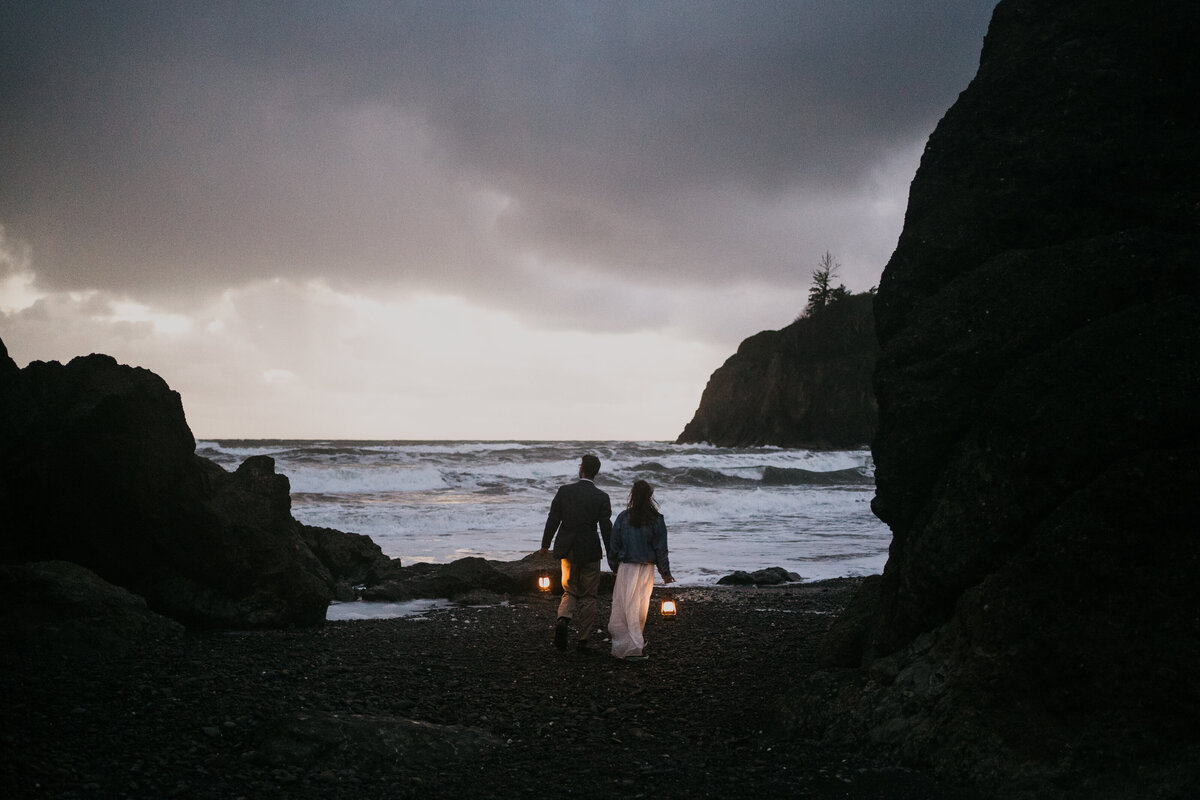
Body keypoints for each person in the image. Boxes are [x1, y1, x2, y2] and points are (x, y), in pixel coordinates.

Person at [536, 454, 613, 654]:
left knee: (569, 590)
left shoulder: (565, 491)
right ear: (596, 472)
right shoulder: (601, 497)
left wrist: (545, 545)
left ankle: (563, 619)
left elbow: (553, 518)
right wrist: (613, 555)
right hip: (590, 550)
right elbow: (606, 528)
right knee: (589, 596)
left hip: (568, 548)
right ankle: (583, 641)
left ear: (581, 469)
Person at [607, 480, 673, 661]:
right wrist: (665, 573)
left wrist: (614, 566)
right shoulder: (656, 519)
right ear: (649, 496)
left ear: (633, 495)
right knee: (639, 608)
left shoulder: (623, 517)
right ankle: (635, 646)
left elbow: (614, 544)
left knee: (624, 606)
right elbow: (661, 548)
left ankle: (623, 644)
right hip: (646, 569)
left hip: (626, 567)